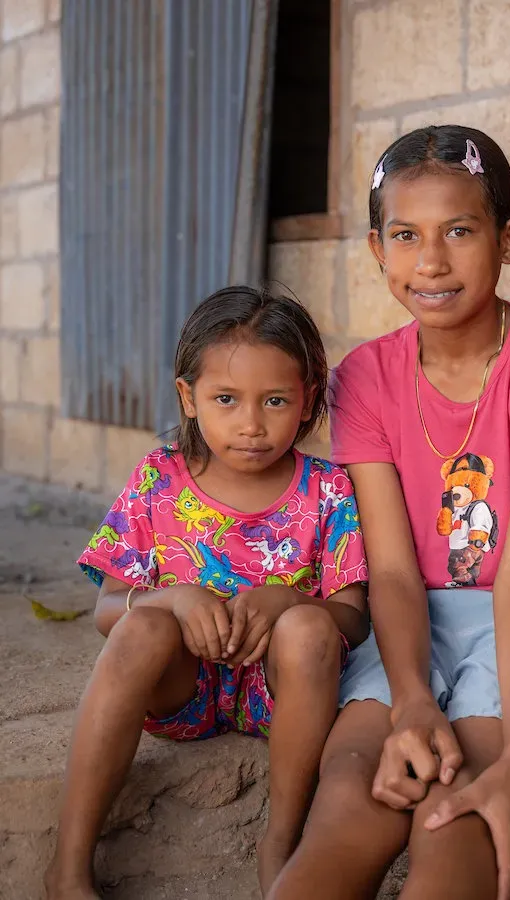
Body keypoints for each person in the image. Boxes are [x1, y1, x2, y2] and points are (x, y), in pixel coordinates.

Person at [268, 125, 510, 900]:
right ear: (377, 249)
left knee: (455, 809)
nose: (430, 262)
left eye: (460, 232)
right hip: (413, 627)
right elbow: (395, 568)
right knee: (351, 793)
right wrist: (408, 699)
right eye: (405, 236)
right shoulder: (366, 378)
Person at [44, 287, 371, 900]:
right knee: (141, 627)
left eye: (275, 400)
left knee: (310, 629)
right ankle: (67, 866)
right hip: (178, 694)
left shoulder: (328, 490)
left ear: (307, 402)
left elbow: (351, 621)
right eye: (227, 399)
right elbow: (106, 612)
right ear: (188, 398)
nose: (251, 424)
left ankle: (281, 843)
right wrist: (174, 598)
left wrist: (288, 601)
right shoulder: (158, 479)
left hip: (284, 700)